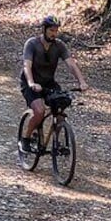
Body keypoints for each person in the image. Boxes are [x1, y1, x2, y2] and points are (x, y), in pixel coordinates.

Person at [19, 15, 88, 153]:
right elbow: (27, 65)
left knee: (61, 109)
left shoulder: (59, 46)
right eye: (51, 30)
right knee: (39, 111)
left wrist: (82, 82)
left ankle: (58, 142)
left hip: (49, 83)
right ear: (44, 29)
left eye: (56, 31)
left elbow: (71, 64)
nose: (54, 34)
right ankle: (25, 139)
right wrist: (32, 82)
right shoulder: (32, 44)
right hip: (30, 83)